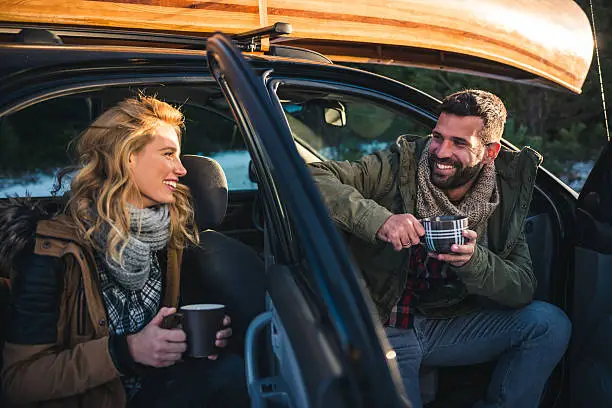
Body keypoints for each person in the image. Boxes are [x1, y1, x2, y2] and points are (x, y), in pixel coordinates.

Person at [309, 90, 571, 408]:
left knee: (549, 323)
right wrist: (379, 221)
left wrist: (474, 262)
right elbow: (311, 176)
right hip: (386, 328)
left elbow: (522, 287)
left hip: (449, 324)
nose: (441, 152)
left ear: (490, 152)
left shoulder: (502, 197)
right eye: (438, 137)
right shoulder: (396, 167)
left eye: (459, 143)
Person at [0, 95, 249, 407]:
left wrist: (184, 337)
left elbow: (153, 329)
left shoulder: (168, 237)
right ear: (128, 156)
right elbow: (19, 382)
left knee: (233, 371)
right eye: (169, 154)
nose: (182, 169)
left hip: (150, 388)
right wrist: (126, 351)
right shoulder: (52, 252)